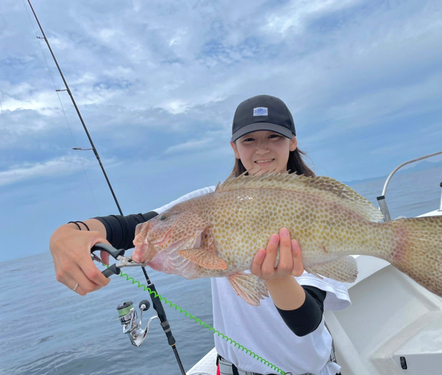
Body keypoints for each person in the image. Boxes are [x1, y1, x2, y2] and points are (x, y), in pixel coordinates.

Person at [49, 95, 351, 375]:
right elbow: (134, 226)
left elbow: (306, 322)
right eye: (249, 140)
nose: (261, 148)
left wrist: (276, 277)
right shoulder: (209, 201)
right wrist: (72, 232)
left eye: (273, 136)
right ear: (234, 147)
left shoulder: (317, 209)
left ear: (292, 141)